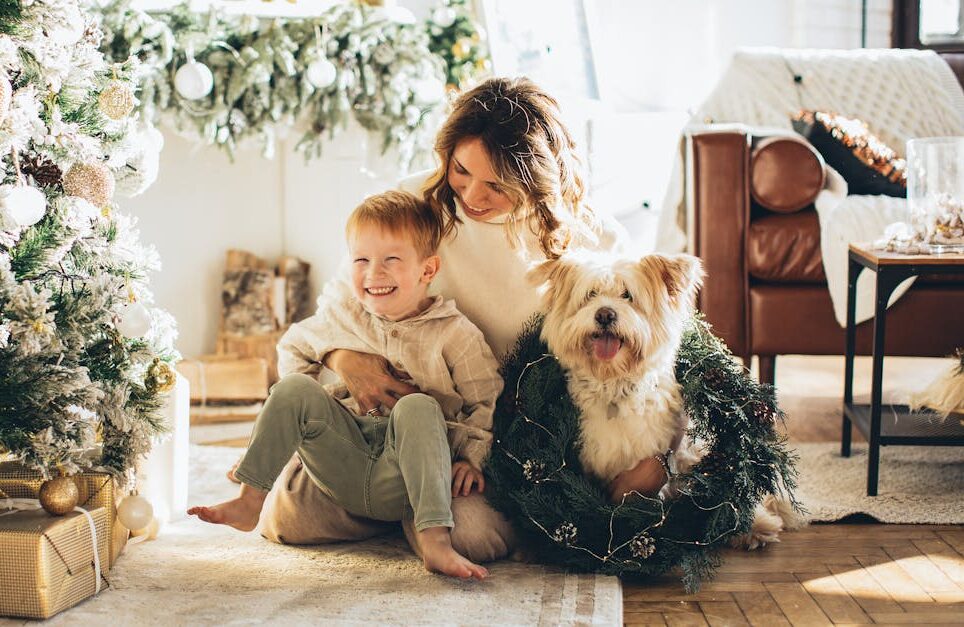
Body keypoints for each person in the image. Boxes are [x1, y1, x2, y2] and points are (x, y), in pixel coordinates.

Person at [260, 76, 679, 561]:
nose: (473, 195)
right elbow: (339, 302)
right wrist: (344, 357)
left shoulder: (593, 238)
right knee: (287, 520)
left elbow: (650, 345)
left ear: (536, 180)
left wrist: (657, 459)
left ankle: (418, 509)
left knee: (472, 537)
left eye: (496, 184)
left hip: (491, 437)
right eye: (461, 170)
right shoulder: (414, 202)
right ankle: (402, 501)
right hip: (389, 422)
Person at [190, 191, 503, 580]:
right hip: (347, 453)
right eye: (361, 260)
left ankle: (434, 539)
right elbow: (292, 348)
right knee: (292, 391)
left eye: (391, 260)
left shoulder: (453, 333)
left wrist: (471, 457)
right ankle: (249, 499)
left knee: (419, 407)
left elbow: (486, 397)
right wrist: (299, 417)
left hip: (410, 469)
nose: (374, 273)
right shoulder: (342, 317)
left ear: (427, 270)